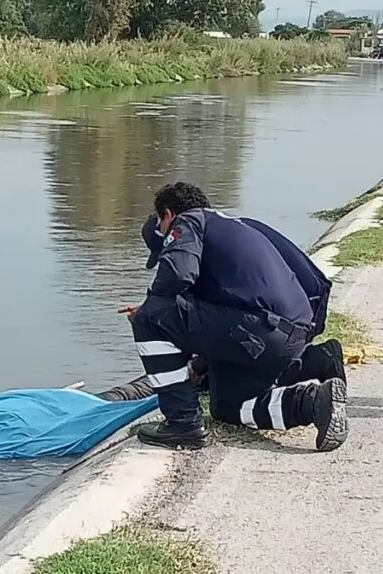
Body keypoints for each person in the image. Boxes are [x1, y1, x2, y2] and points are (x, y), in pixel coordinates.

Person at [119, 181, 349, 451]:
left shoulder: (188, 220)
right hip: (291, 333)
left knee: (151, 315)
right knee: (228, 406)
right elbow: (311, 281)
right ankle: (313, 400)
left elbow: (177, 275)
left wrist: (149, 309)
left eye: (162, 230)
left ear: (168, 215)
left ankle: (182, 423)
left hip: (260, 330)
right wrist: (199, 367)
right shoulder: (241, 225)